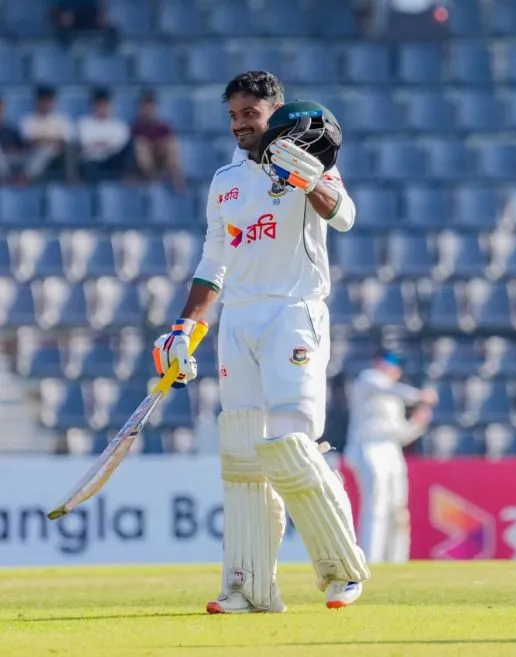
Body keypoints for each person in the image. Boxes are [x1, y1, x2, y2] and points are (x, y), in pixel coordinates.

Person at [150, 70, 368, 614]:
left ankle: (343, 570)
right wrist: (184, 329)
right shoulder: (225, 180)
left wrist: (309, 181)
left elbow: (344, 217)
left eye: (250, 114)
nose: (240, 125)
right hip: (238, 321)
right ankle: (249, 587)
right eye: (233, 116)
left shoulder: (309, 158)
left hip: (294, 313)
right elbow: (213, 262)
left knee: (292, 443)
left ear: (276, 113)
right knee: (243, 453)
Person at [344, 351, 438, 563]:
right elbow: (388, 387)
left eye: (395, 364)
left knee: (397, 507)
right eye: (387, 362)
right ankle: (370, 559)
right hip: (368, 448)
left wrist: (417, 423)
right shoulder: (368, 379)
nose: (391, 367)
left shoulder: (395, 401)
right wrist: (420, 396)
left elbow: (402, 435)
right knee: (376, 505)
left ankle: (397, 560)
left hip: (392, 451)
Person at [130, 90, 185, 190]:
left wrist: (158, 147)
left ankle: (176, 178)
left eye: (150, 105)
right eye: (144, 106)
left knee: (170, 144)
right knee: (142, 145)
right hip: (140, 169)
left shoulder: (164, 129)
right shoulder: (134, 129)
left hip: (162, 164)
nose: (147, 109)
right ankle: (153, 181)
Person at [20, 86, 73, 183]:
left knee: (54, 149)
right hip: (34, 153)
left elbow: (63, 141)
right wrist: (50, 141)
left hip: (58, 156)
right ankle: (26, 177)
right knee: (44, 151)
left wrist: (44, 140)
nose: (46, 104)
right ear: (37, 102)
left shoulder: (62, 120)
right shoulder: (28, 119)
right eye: (43, 101)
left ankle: (27, 176)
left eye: (48, 101)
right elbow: (30, 142)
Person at [76, 87, 130, 183]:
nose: (102, 108)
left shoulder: (120, 126)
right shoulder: (84, 124)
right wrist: (105, 145)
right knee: (89, 165)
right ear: (93, 106)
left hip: (113, 161)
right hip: (92, 161)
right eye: (99, 104)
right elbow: (85, 148)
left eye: (105, 104)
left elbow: (119, 148)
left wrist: (99, 145)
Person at [0, 97, 26, 184]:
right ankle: (7, 179)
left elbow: (21, 148)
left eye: (1, 110)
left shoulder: (11, 130)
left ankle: (24, 177)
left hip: (11, 159)